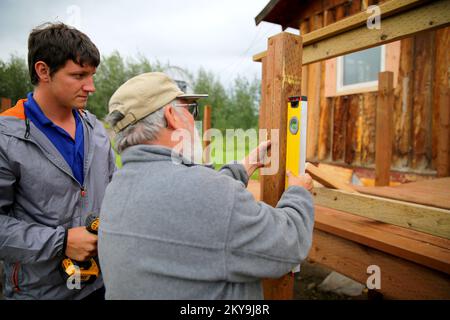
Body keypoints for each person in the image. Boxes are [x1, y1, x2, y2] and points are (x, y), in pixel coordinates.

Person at [98, 72, 314, 299]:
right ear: (172, 116)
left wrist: (242, 167)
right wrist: (299, 193)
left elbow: (193, 206)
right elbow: (288, 243)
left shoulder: (117, 187)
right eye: (191, 110)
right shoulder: (207, 193)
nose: (193, 120)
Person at [0, 23, 116, 299]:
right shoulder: (5, 138)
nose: (91, 86)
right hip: (38, 293)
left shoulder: (96, 129)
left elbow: (115, 192)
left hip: (102, 285)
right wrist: (61, 242)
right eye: (79, 75)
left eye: (92, 75)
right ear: (43, 71)